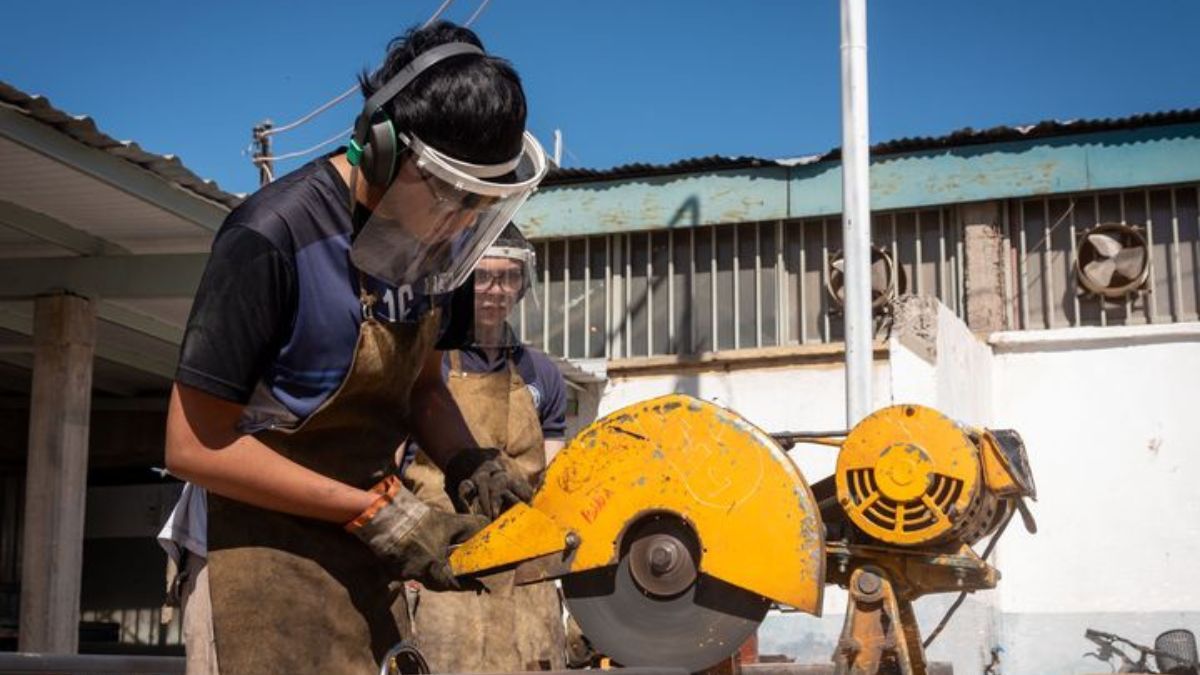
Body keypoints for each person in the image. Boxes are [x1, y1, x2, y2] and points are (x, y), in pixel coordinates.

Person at [161, 21, 548, 674]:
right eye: (452, 195)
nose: (459, 222)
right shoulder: (271, 236)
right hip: (252, 551)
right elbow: (193, 445)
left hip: (369, 551)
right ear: (382, 148)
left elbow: (422, 387)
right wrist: (376, 510)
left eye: (477, 205)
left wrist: (465, 461)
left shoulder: (440, 247)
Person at [402, 224, 569, 672]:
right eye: (484, 277)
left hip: (526, 575)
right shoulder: (425, 365)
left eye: (509, 277)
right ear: (462, 281)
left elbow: (551, 478)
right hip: (447, 568)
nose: (496, 290)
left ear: (522, 283)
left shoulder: (541, 373)